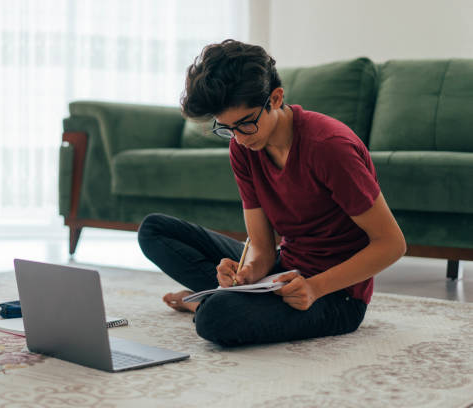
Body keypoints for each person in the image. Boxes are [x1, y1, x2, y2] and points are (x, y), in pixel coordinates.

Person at [137, 39, 406, 347]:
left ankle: (205, 302)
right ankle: (223, 297)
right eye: (227, 128)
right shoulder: (244, 148)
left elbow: (392, 244)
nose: (237, 139)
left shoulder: (329, 147)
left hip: (336, 296)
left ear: (275, 98)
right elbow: (263, 249)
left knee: (215, 320)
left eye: (245, 124)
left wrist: (315, 288)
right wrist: (246, 274)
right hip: (280, 271)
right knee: (154, 230)